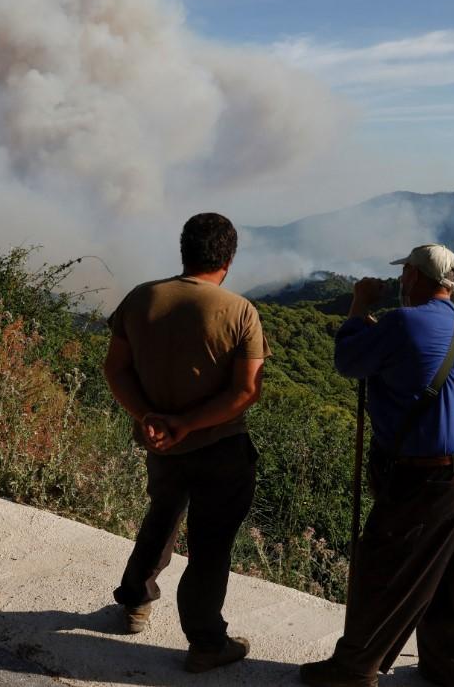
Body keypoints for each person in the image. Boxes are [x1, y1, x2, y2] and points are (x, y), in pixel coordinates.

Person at [301, 244, 454, 687]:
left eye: (405, 273)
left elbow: (347, 361)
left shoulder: (403, 321)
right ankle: (451, 670)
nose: (401, 281)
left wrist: (358, 306)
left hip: (434, 472)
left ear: (413, 277)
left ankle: (353, 669)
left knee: (383, 564)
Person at [103, 212, 270, 674]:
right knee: (211, 544)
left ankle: (135, 601)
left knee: (161, 517)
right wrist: (187, 424)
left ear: (184, 251)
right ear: (229, 260)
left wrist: (152, 419)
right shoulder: (239, 312)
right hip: (220, 447)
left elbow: (115, 369)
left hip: (161, 444)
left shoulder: (141, 299)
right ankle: (205, 641)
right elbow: (245, 392)